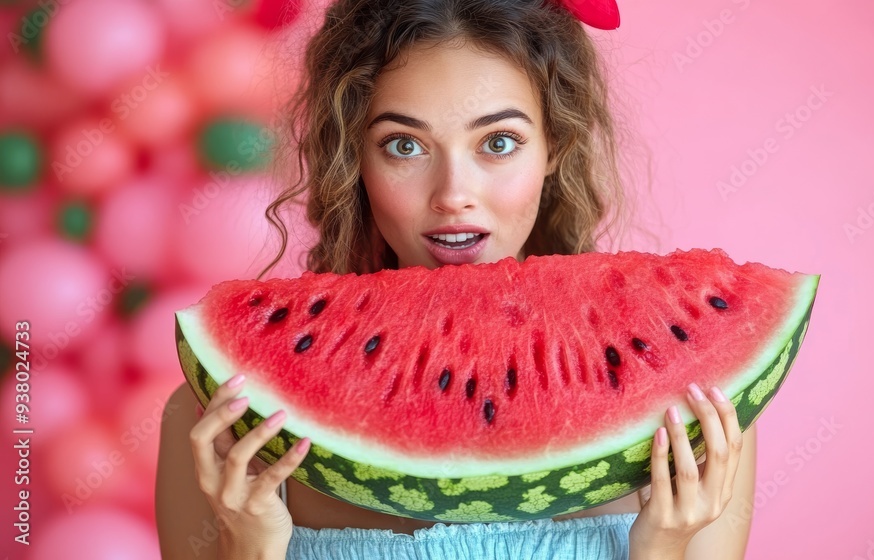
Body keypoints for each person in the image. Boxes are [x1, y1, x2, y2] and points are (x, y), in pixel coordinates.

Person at [156, 1, 758, 558]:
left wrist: (664, 550)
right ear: (353, 158)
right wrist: (249, 548)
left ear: (554, 146)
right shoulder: (222, 422)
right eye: (404, 145)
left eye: (498, 142)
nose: (453, 196)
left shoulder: (694, 412)